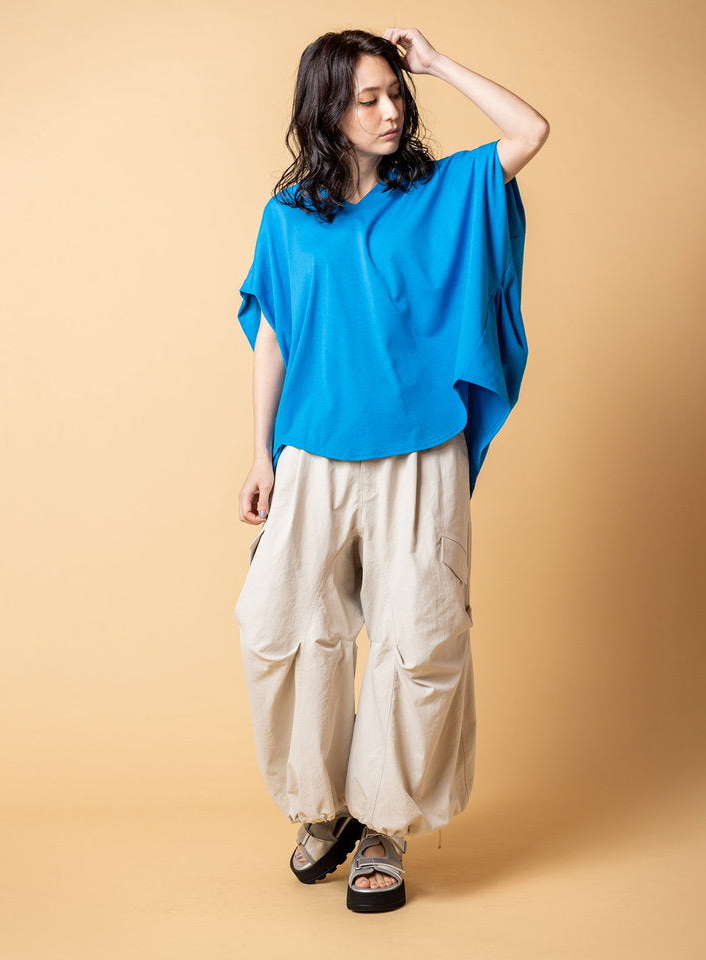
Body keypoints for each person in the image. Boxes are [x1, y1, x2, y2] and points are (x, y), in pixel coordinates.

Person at [234, 26, 549, 913]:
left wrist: (438, 64)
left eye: (395, 93)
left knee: (418, 641)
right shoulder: (288, 217)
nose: (390, 110)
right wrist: (259, 452)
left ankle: (384, 826)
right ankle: (323, 806)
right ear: (325, 110)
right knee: (283, 630)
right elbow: (272, 336)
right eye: (367, 97)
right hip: (312, 455)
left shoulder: (444, 191)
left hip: (419, 453)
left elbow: (529, 132)